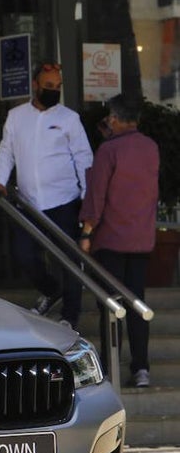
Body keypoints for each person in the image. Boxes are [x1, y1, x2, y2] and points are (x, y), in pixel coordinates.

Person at [0, 61, 93, 328]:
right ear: (35, 85)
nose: (54, 91)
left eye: (58, 86)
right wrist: (0, 179)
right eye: (48, 86)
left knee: (69, 260)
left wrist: (87, 197)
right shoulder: (16, 116)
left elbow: (84, 158)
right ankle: (51, 289)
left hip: (64, 201)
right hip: (28, 203)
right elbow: (6, 151)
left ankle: (70, 316)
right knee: (23, 253)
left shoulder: (69, 119)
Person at [79, 94, 160, 387]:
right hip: (141, 239)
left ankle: (110, 366)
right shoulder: (150, 148)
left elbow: (97, 195)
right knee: (137, 302)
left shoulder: (108, 150)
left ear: (113, 118)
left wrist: (86, 232)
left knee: (110, 305)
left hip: (111, 239)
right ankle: (141, 368)